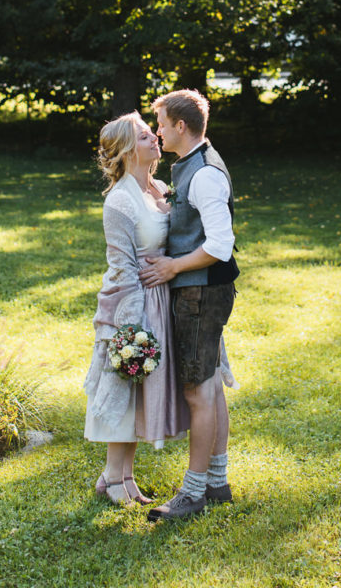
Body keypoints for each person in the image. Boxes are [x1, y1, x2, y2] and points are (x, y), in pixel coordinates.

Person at [140, 89, 239, 521]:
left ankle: (193, 493)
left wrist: (172, 268)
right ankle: (217, 483)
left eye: (160, 123)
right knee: (210, 385)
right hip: (203, 291)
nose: (157, 131)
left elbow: (220, 245)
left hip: (202, 292)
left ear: (181, 126)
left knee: (197, 392)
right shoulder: (190, 168)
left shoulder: (205, 175)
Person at [83, 112, 190, 505]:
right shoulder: (119, 201)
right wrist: (132, 327)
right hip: (132, 303)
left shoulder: (161, 188)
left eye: (152, 134)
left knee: (141, 392)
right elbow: (122, 266)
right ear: (128, 150)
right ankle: (114, 478)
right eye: (146, 136)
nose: (155, 139)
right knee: (126, 388)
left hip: (162, 300)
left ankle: (124, 476)